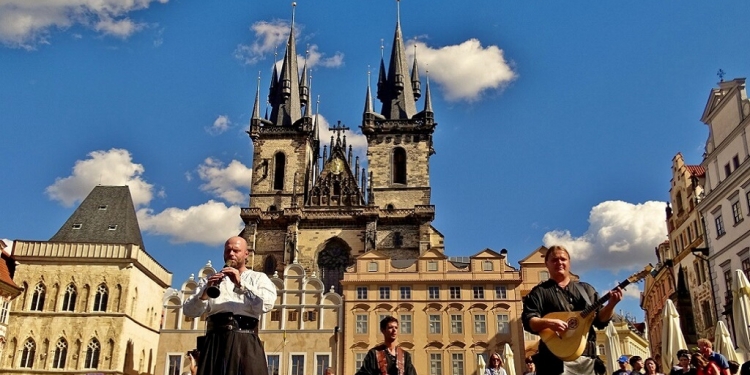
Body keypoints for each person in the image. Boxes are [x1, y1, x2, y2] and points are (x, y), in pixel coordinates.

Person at [522, 245, 624, 375]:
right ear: (546, 264)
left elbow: (600, 321)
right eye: (554, 260)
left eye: (563, 259)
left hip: (587, 359)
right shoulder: (539, 292)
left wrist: (611, 305)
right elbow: (529, 321)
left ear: (569, 262)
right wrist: (549, 323)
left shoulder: (586, 290)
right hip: (554, 360)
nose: (559, 262)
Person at [183, 236, 277, 375]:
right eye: (228, 251)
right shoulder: (209, 280)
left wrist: (241, 284)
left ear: (246, 254)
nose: (231, 254)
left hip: (245, 341)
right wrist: (204, 294)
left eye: (236, 250)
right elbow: (189, 310)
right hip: (215, 342)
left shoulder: (258, 278)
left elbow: (267, 304)